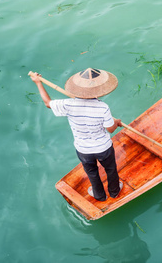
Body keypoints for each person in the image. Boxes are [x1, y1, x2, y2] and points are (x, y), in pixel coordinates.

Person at [30, 68, 123, 201]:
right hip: (103, 148)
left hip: (83, 149)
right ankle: (114, 192)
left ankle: (99, 195)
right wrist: (117, 122)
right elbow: (110, 129)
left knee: (92, 173)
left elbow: (47, 103)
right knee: (111, 169)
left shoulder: (68, 104)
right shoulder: (102, 107)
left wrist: (38, 83)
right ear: (98, 90)